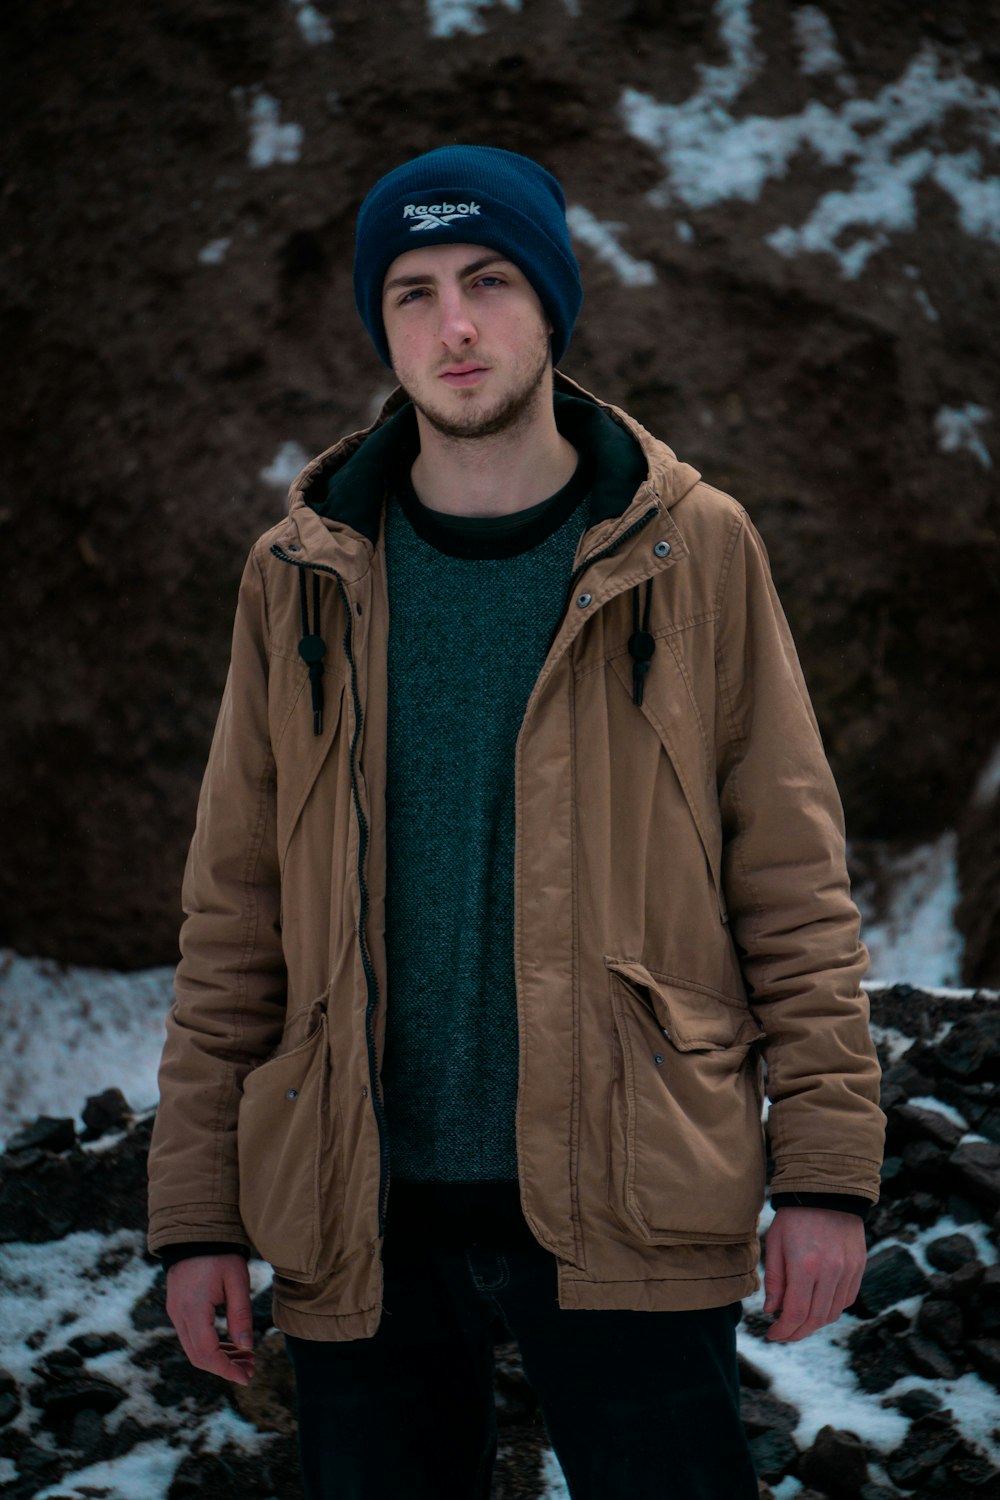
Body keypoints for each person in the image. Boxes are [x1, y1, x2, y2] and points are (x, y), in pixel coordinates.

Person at [147, 145, 885, 1499]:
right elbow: (235, 912)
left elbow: (790, 878)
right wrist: (197, 1213)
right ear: (384, 327)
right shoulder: (299, 574)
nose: (456, 325)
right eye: (414, 293)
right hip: (358, 1207)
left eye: (489, 281)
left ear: (553, 307)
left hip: (635, 1186)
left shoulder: (691, 546)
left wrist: (827, 1176)